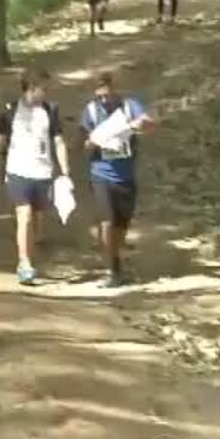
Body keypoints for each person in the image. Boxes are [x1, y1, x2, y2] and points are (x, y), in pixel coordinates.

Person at [0, 66, 75, 286]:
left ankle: (31, 253)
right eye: (44, 88)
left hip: (42, 174)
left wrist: (65, 171)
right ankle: (24, 263)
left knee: (36, 220)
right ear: (32, 88)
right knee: (24, 216)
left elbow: (58, 142)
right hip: (18, 172)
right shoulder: (10, 112)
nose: (47, 92)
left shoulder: (50, 111)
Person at [80, 72, 151, 287]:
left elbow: (149, 123)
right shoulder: (91, 111)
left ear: (114, 89)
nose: (104, 100)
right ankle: (112, 269)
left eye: (107, 95)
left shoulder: (130, 106)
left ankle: (116, 260)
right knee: (107, 222)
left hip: (126, 176)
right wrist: (94, 141)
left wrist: (141, 124)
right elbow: (82, 143)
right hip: (101, 174)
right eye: (100, 96)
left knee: (121, 225)